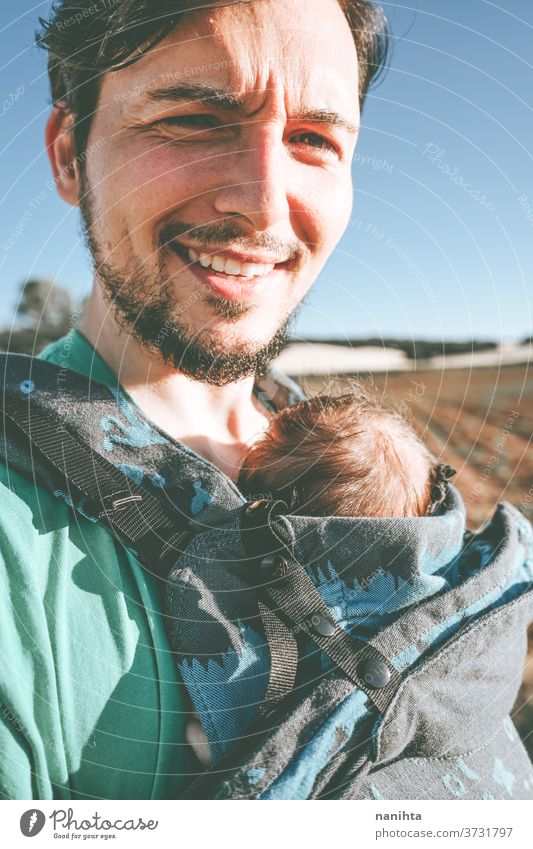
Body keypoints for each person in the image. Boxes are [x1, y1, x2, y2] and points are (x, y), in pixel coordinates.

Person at [0, 0, 389, 799]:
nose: (262, 200)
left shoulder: (366, 476)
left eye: (313, 139)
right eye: (192, 119)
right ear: (70, 155)